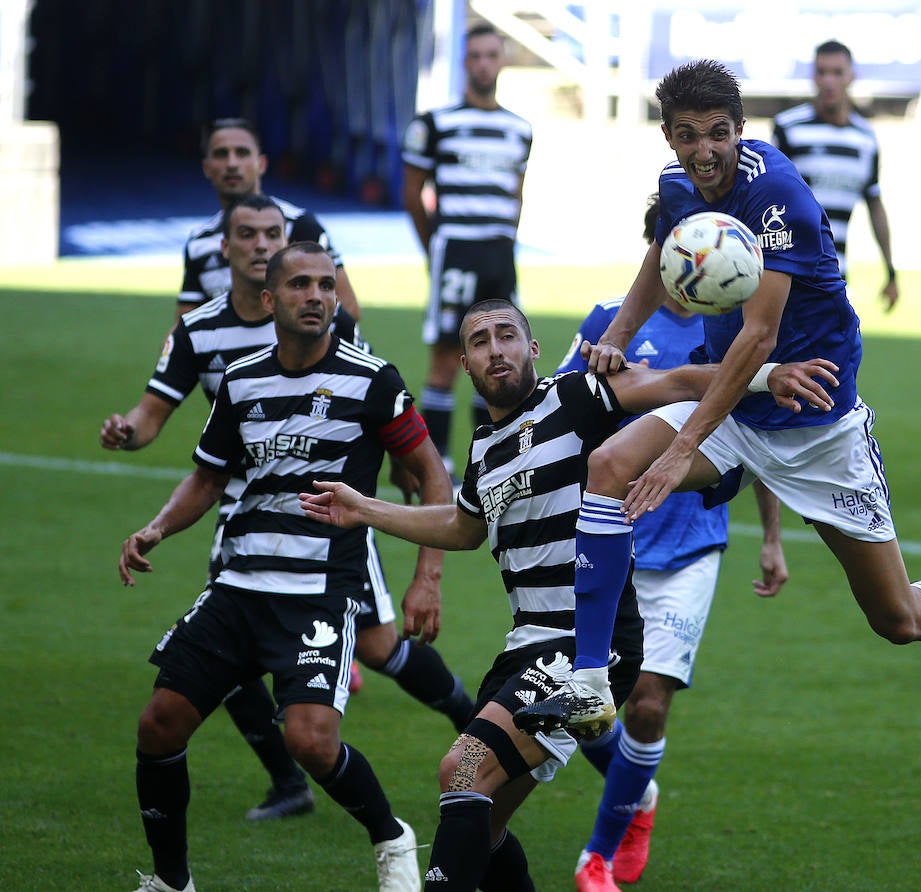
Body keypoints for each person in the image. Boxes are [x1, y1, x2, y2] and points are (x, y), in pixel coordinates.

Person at [512, 60, 921, 741]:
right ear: (669, 138)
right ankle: (590, 680)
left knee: (898, 619)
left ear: (739, 130)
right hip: (736, 407)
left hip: (816, 424)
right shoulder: (678, 185)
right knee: (609, 468)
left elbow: (759, 337)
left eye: (716, 134)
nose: (703, 151)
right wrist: (616, 335)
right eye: (686, 135)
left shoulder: (777, 199)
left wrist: (682, 449)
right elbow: (660, 254)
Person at [298, 299, 832, 892]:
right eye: (480, 342)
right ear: (465, 364)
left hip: (588, 649)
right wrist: (363, 508)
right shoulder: (482, 450)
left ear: (534, 350)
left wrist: (764, 376)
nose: (495, 349)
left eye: (507, 336)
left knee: (463, 770)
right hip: (526, 648)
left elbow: (673, 381)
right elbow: (462, 528)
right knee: (488, 817)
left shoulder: (575, 397)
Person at [102, 196, 475, 824]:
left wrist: (425, 570)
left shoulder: (360, 363)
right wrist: (155, 516)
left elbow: (409, 448)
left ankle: (473, 729)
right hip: (247, 539)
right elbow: (191, 455)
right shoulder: (216, 347)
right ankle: (285, 784)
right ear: (229, 252)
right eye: (299, 281)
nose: (316, 295)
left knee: (381, 649)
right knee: (204, 683)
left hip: (337, 541)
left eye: (325, 284)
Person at [558, 196, 789, 891]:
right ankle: (638, 790)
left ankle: (597, 853)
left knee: (650, 703)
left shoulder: (736, 330)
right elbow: (566, 412)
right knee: (586, 709)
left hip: (691, 543)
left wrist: (772, 536)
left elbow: (755, 437)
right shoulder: (608, 323)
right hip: (612, 542)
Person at [401, 23, 533, 475]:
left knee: (501, 357)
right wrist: (434, 246)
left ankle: (489, 462)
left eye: (490, 55)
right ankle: (438, 465)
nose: (483, 64)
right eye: (475, 56)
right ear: (464, 63)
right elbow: (411, 192)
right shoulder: (436, 124)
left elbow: (517, 194)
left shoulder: (519, 129)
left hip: (500, 253)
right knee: (445, 356)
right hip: (454, 250)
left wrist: (507, 238)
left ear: (501, 61)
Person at [180, 117, 362, 320]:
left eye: (242, 153)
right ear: (206, 167)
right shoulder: (199, 243)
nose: (232, 164)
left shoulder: (300, 226)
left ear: (262, 164)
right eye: (221, 154)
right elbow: (185, 328)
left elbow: (348, 309)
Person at [772, 40, 899, 312]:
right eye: (822, 72)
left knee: (832, 356)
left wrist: (890, 271)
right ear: (813, 76)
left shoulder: (865, 138)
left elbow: (874, 203)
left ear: (851, 76)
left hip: (836, 277)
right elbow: (766, 196)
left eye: (837, 72)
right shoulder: (788, 129)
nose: (829, 81)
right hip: (789, 274)